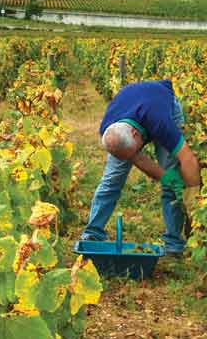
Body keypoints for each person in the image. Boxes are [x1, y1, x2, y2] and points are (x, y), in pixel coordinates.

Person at [81, 79, 200, 254]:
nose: (133, 159)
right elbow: (136, 158)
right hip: (135, 108)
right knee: (111, 179)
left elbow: (187, 158)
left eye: (133, 153)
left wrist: (192, 201)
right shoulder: (111, 131)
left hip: (160, 105)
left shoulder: (162, 123)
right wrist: (164, 177)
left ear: (136, 134)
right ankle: (92, 234)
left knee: (172, 179)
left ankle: (173, 243)